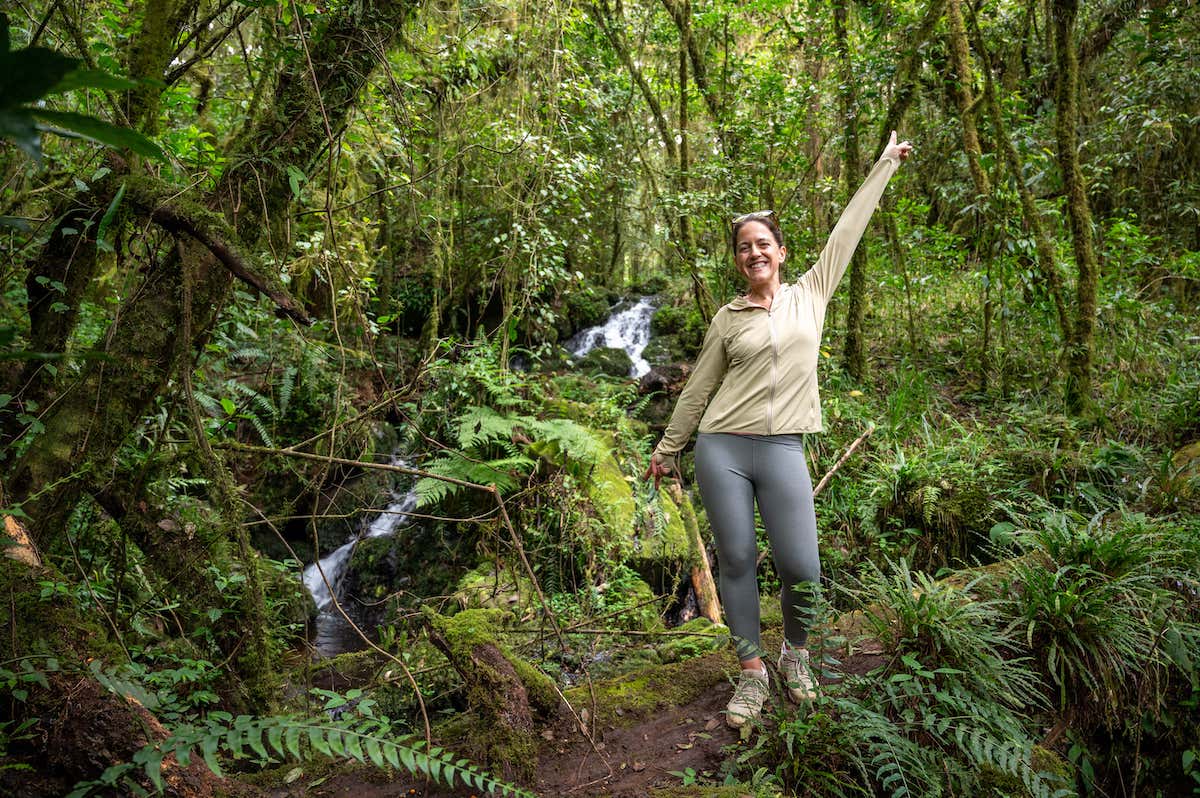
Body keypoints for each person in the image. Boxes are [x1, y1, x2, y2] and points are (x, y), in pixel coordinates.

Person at [644, 131, 913, 727]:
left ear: (781, 252)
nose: (753, 253)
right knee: (736, 559)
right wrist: (668, 449)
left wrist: (884, 166)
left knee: (802, 567)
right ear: (737, 260)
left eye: (762, 243)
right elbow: (697, 390)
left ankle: (795, 654)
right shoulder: (727, 317)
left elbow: (847, 231)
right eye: (743, 247)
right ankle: (750, 672)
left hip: (784, 446)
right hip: (723, 449)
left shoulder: (810, 295)